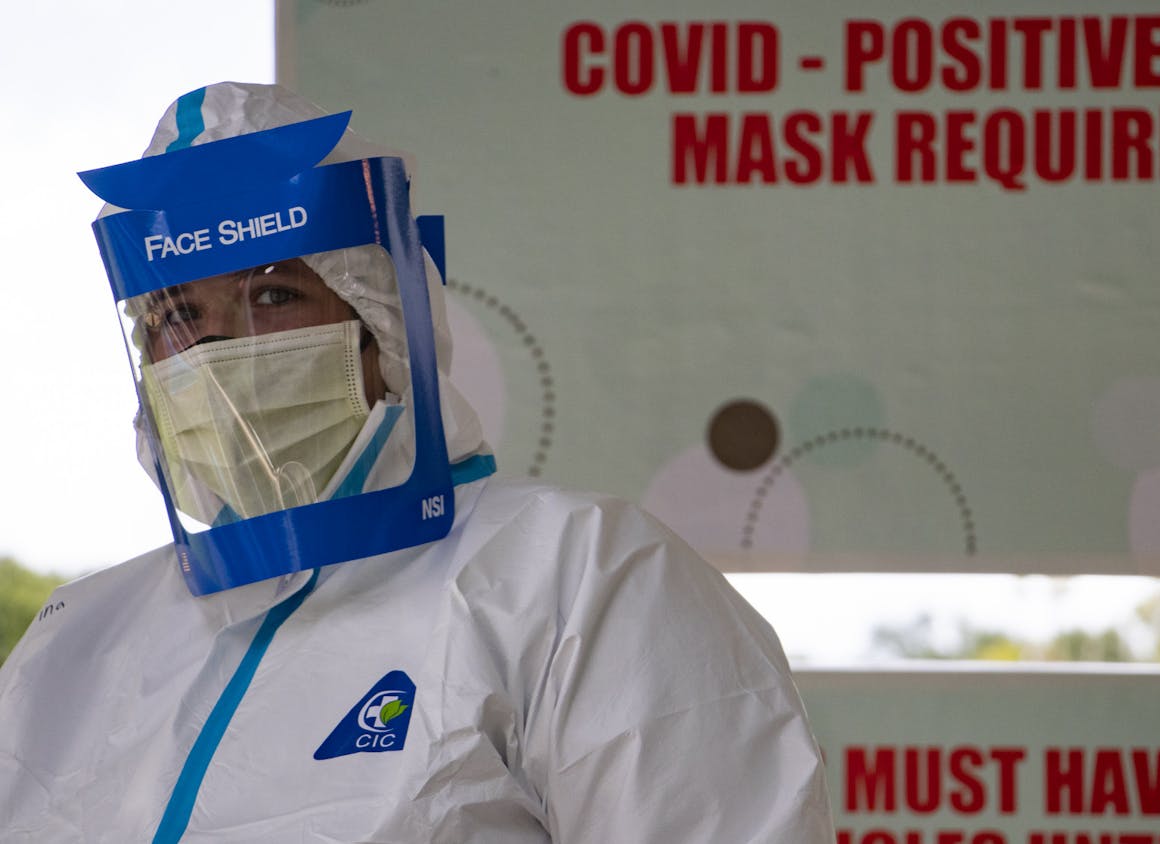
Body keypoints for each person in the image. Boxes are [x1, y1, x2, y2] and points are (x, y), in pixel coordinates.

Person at [0, 82, 833, 842]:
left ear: (386, 329)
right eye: (176, 314)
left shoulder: (578, 574)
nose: (213, 346)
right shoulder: (78, 639)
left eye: (271, 294)